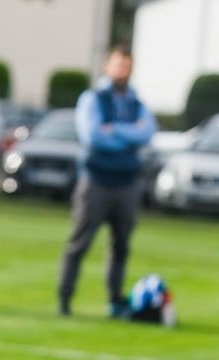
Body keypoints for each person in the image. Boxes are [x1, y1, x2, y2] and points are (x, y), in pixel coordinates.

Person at [57, 45, 157, 319]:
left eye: (127, 66)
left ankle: (115, 301)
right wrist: (128, 134)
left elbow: (146, 133)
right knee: (80, 242)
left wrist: (115, 130)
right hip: (97, 181)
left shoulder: (136, 102)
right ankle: (65, 299)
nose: (122, 70)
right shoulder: (93, 98)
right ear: (107, 66)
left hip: (127, 183)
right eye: (118, 65)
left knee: (121, 246)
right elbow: (93, 136)